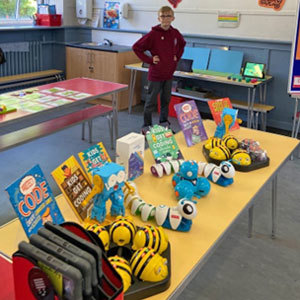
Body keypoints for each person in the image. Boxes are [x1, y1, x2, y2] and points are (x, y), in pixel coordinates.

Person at [132, 6, 186, 129]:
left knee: (166, 101)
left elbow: (182, 44)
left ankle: (163, 123)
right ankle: (147, 125)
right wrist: (150, 60)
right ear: (158, 18)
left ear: (173, 18)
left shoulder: (175, 33)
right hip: (155, 75)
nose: (165, 18)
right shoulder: (153, 34)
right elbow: (136, 47)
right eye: (163, 16)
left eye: (168, 16)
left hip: (168, 74)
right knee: (151, 102)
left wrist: (176, 56)